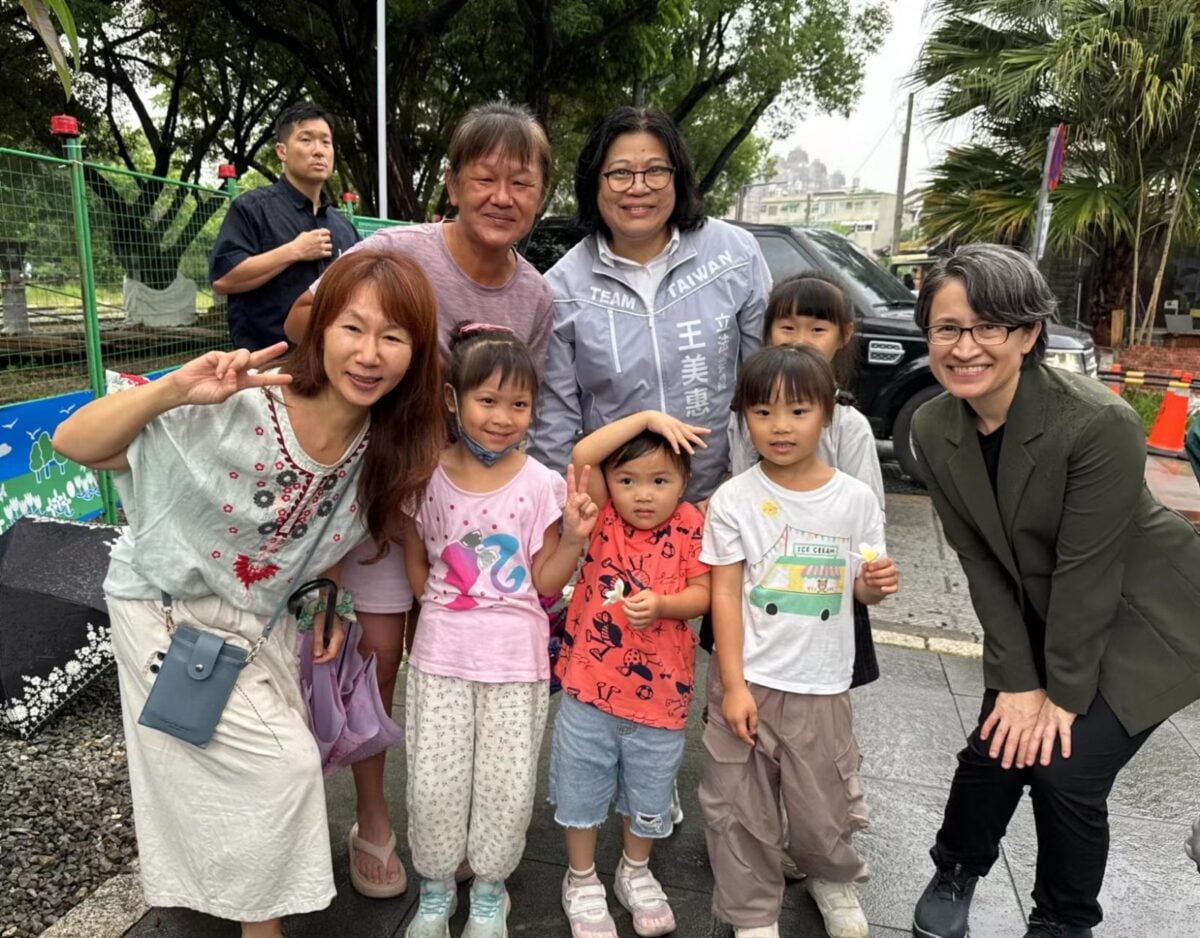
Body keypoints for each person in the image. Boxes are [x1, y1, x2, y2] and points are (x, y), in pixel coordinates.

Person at [50, 250, 444, 938]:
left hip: (261, 625)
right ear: (320, 328)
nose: (369, 354)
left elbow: (323, 539)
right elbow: (74, 441)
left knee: (241, 777)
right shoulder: (243, 402)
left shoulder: (385, 446)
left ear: (416, 353)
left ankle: (237, 909)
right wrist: (173, 390)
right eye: (353, 328)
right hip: (166, 612)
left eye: (393, 336)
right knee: (281, 770)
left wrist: (327, 600)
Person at [284, 101, 555, 898]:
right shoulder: (398, 251)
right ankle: (373, 819)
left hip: (472, 519)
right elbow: (307, 320)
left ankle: (462, 822)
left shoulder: (535, 297)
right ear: (453, 181)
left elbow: (523, 406)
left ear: (540, 194)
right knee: (378, 658)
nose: (501, 196)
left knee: (461, 672)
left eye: (521, 182)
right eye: (485, 177)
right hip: (381, 500)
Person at [907, 245, 1200, 938]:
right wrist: (1016, 680)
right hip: (1051, 612)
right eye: (947, 328)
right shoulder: (932, 427)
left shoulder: (1096, 422)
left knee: (1064, 770)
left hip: (1150, 618)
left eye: (989, 327)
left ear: (1029, 333)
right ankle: (957, 866)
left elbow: (1087, 571)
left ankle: (1063, 921)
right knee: (997, 743)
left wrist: (1058, 696)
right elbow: (979, 562)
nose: (965, 347)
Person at [399, 323, 597, 938]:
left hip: (516, 663)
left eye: (519, 404)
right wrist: (438, 616)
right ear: (453, 399)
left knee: (505, 788)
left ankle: (489, 894)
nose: (503, 417)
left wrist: (574, 538)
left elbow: (544, 583)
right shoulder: (425, 477)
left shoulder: (541, 484)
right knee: (433, 784)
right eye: (487, 400)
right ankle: (435, 891)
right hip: (441, 658)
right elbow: (417, 567)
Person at [699, 345, 899, 938]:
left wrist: (874, 586)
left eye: (798, 411)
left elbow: (859, 589)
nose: (780, 427)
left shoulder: (855, 500)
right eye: (762, 412)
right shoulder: (734, 498)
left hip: (821, 682)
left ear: (827, 416)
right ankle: (752, 913)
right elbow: (724, 595)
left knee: (823, 802)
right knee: (738, 804)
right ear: (744, 418)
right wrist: (733, 685)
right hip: (747, 678)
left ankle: (831, 877)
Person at [529, 105, 771, 505]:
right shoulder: (563, 288)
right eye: (620, 173)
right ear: (593, 183)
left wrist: (748, 490)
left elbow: (770, 378)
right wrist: (565, 512)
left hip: (723, 505)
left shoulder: (733, 255)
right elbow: (553, 421)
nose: (638, 188)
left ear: (678, 176)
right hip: (619, 516)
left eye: (656, 170)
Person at [551, 411, 712, 938]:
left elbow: (703, 593)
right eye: (627, 480)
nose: (643, 495)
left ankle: (635, 870)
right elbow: (584, 455)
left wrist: (664, 605)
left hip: (661, 698)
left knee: (649, 790)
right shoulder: (603, 518)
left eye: (660, 480)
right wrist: (646, 418)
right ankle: (580, 878)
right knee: (579, 788)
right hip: (588, 691)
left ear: (683, 483)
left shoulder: (690, 524)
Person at [210, 101, 359, 351]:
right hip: (269, 361)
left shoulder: (344, 227)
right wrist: (294, 251)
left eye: (326, 142)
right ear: (282, 151)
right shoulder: (252, 209)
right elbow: (223, 279)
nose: (319, 151)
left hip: (331, 360)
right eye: (306, 140)